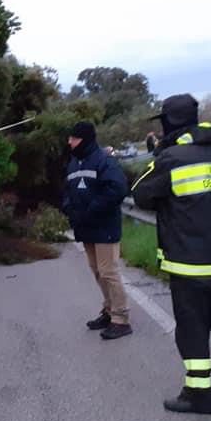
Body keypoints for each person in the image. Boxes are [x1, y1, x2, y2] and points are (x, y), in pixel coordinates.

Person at [132, 94, 211, 414]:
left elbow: (141, 194)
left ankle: (200, 394)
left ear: (169, 124)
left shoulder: (171, 159)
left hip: (188, 265)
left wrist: (158, 155)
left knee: (193, 329)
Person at [62, 121, 131, 340]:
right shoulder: (74, 162)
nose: (69, 142)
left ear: (85, 139)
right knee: (96, 271)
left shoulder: (104, 161)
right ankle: (109, 310)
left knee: (108, 271)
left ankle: (120, 320)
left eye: (74, 138)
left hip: (105, 226)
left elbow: (117, 189)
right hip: (85, 227)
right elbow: (68, 191)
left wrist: (91, 210)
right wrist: (69, 209)